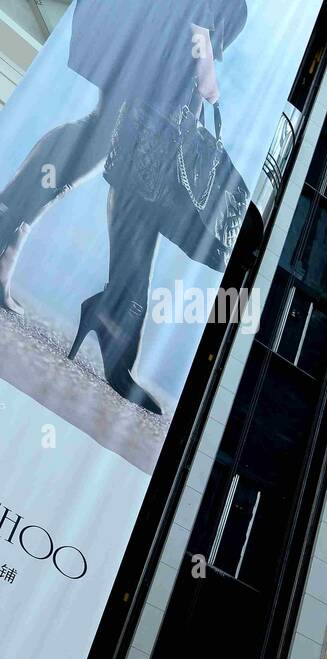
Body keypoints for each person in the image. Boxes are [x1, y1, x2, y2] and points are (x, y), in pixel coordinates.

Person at [0, 0, 248, 413]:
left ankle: (107, 306)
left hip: (145, 32)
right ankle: (116, 316)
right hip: (156, 40)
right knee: (136, 152)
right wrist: (205, 65)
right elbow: (199, 28)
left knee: (113, 139)